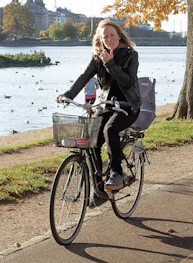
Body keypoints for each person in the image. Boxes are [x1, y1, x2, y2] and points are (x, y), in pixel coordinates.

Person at [58, 20, 141, 191]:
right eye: (105, 37)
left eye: (112, 35)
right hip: (107, 105)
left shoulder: (131, 55)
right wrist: (68, 95)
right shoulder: (98, 58)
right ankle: (98, 187)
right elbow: (84, 77)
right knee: (91, 139)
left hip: (127, 107)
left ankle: (116, 173)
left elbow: (128, 82)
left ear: (119, 35)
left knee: (110, 129)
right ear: (100, 39)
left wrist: (110, 63)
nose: (109, 39)